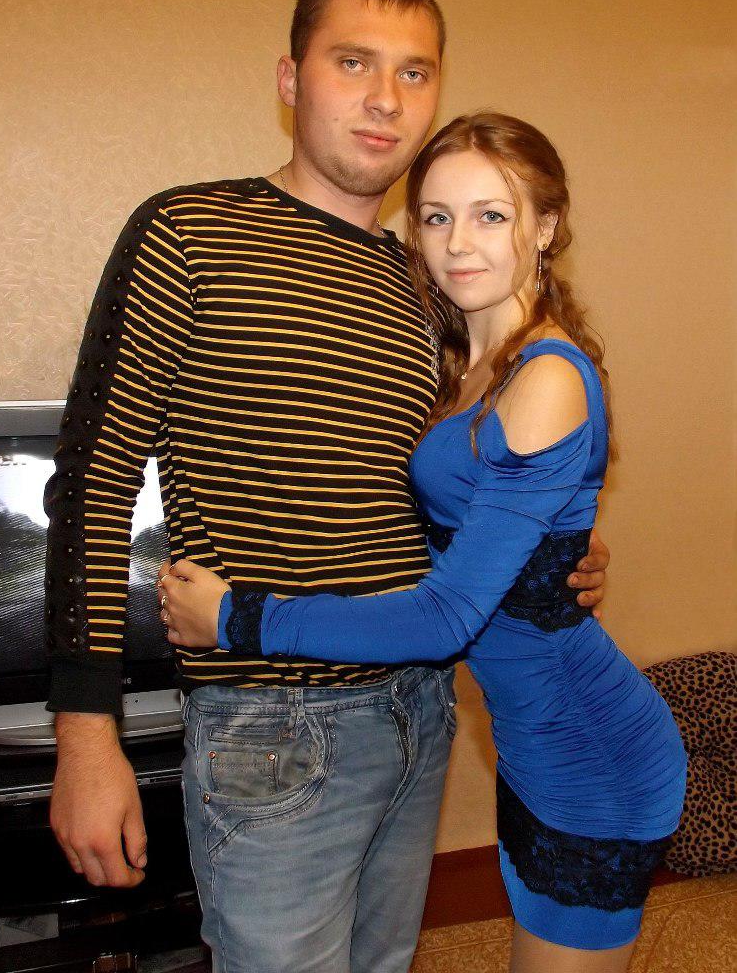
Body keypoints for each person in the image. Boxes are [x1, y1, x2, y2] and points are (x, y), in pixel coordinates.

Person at [43, 0, 610, 973]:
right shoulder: (189, 233)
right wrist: (87, 737)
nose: (385, 98)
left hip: (422, 707)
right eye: (353, 63)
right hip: (271, 725)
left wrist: (550, 552)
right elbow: (92, 477)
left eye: (413, 72)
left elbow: (452, 479)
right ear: (290, 79)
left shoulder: (428, 280)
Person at [160, 112, 687, 973]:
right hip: (531, 739)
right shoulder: (469, 368)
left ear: (545, 227)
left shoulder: (546, 377)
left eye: (491, 214)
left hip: (590, 749)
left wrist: (236, 618)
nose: (457, 243)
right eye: (436, 217)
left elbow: (445, 619)